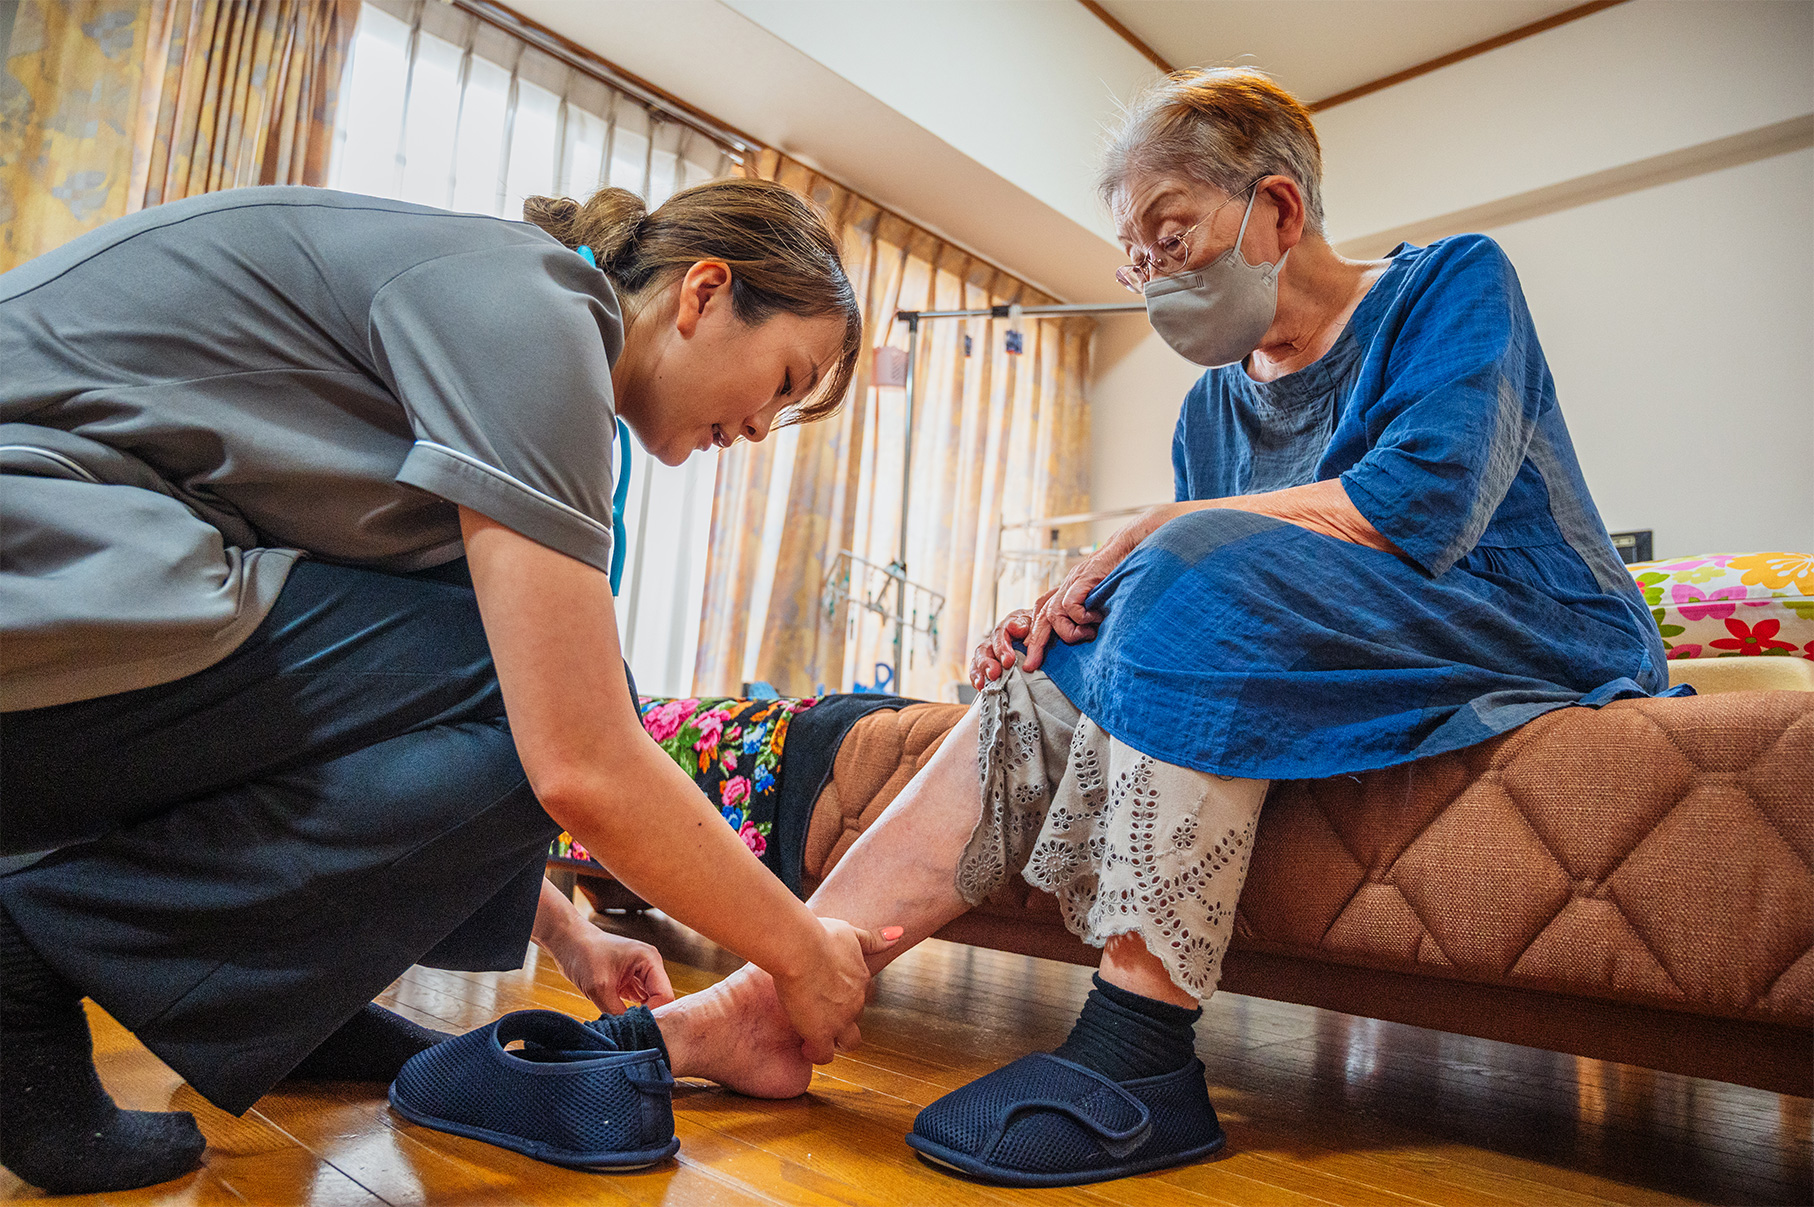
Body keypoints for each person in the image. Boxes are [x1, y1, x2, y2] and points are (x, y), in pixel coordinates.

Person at [648, 67, 1675, 1186]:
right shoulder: (1212, 409)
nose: (1148, 274)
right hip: (1350, 645)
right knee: (1060, 664)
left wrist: (1162, 536)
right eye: (1131, 259)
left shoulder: (1451, 285)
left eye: (1169, 234)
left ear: (1276, 211)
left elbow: (1419, 504)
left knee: (1186, 564)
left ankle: (1141, 1052)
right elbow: (1214, 584)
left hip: (1532, 628)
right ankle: (769, 997)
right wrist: (1061, 627)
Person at [0, 178, 898, 1195]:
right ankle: (28, 953)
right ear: (701, 293)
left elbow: (472, 710)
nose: (760, 430)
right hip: (41, 555)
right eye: (784, 381)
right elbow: (576, 754)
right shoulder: (536, 314)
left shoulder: (525, 335)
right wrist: (797, 950)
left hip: (76, 603)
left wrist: (576, 935)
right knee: (559, 679)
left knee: (526, 661)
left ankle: (288, 1003)